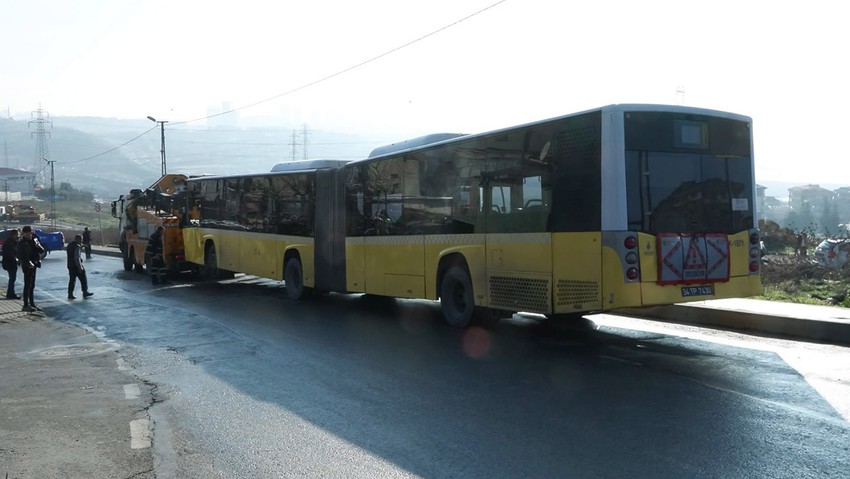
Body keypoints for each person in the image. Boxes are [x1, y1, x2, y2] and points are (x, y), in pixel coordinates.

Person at [15, 225, 44, 312]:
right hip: (27, 265)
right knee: (27, 285)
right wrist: (27, 263)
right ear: (24, 233)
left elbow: (41, 251)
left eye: (30, 232)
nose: (29, 234)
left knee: (32, 285)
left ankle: (32, 303)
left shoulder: (35, 240)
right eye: (26, 233)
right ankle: (25, 305)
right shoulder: (22, 243)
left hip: (35, 263)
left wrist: (38, 246)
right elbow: (20, 255)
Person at [67, 234, 93, 300]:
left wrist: (82, 246)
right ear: (78, 239)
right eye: (81, 239)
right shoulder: (77, 246)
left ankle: (70, 294)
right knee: (83, 278)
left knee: (72, 280)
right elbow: (77, 257)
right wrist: (80, 266)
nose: (81, 240)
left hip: (70, 265)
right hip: (76, 265)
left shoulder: (70, 245)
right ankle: (85, 292)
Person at [2, 229, 21, 299]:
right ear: (14, 235)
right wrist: (16, 259)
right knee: (12, 278)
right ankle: (11, 294)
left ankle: (10, 293)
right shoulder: (10, 243)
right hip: (10, 263)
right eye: (17, 235)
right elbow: (10, 254)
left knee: (12, 278)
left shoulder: (12, 241)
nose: (18, 236)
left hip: (9, 262)